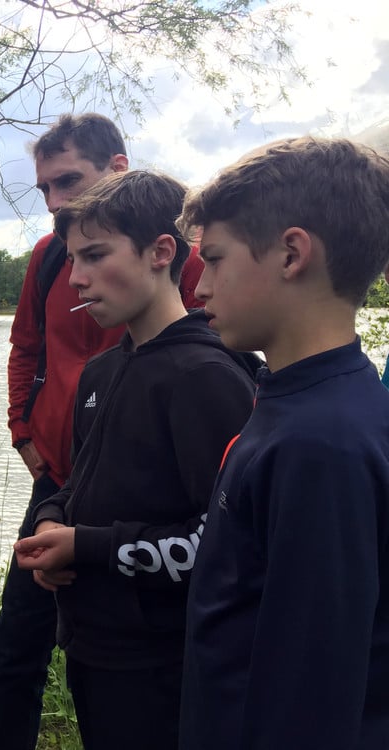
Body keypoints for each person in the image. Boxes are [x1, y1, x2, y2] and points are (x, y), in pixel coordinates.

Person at [13, 170, 257, 750]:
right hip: (95, 649)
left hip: (167, 667)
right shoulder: (102, 371)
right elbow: (77, 484)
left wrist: (87, 547)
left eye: (95, 255)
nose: (76, 277)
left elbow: (226, 546)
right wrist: (50, 521)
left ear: (161, 252)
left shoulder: (206, 377)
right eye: (73, 260)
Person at [0, 112, 203, 750]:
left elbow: (210, 348)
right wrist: (23, 432)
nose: (54, 202)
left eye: (68, 181)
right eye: (44, 188)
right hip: (59, 481)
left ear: (118, 169)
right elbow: (26, 346)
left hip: (142, 494)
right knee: (15, 648)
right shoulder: (50, 257)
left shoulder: (185, 259)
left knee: (129, 659)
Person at [179, 137, 389, 750]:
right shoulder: (303, 401)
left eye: (215, 260)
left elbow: (311, 694)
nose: (200, 288)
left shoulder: (321, 446)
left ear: (291, 254)